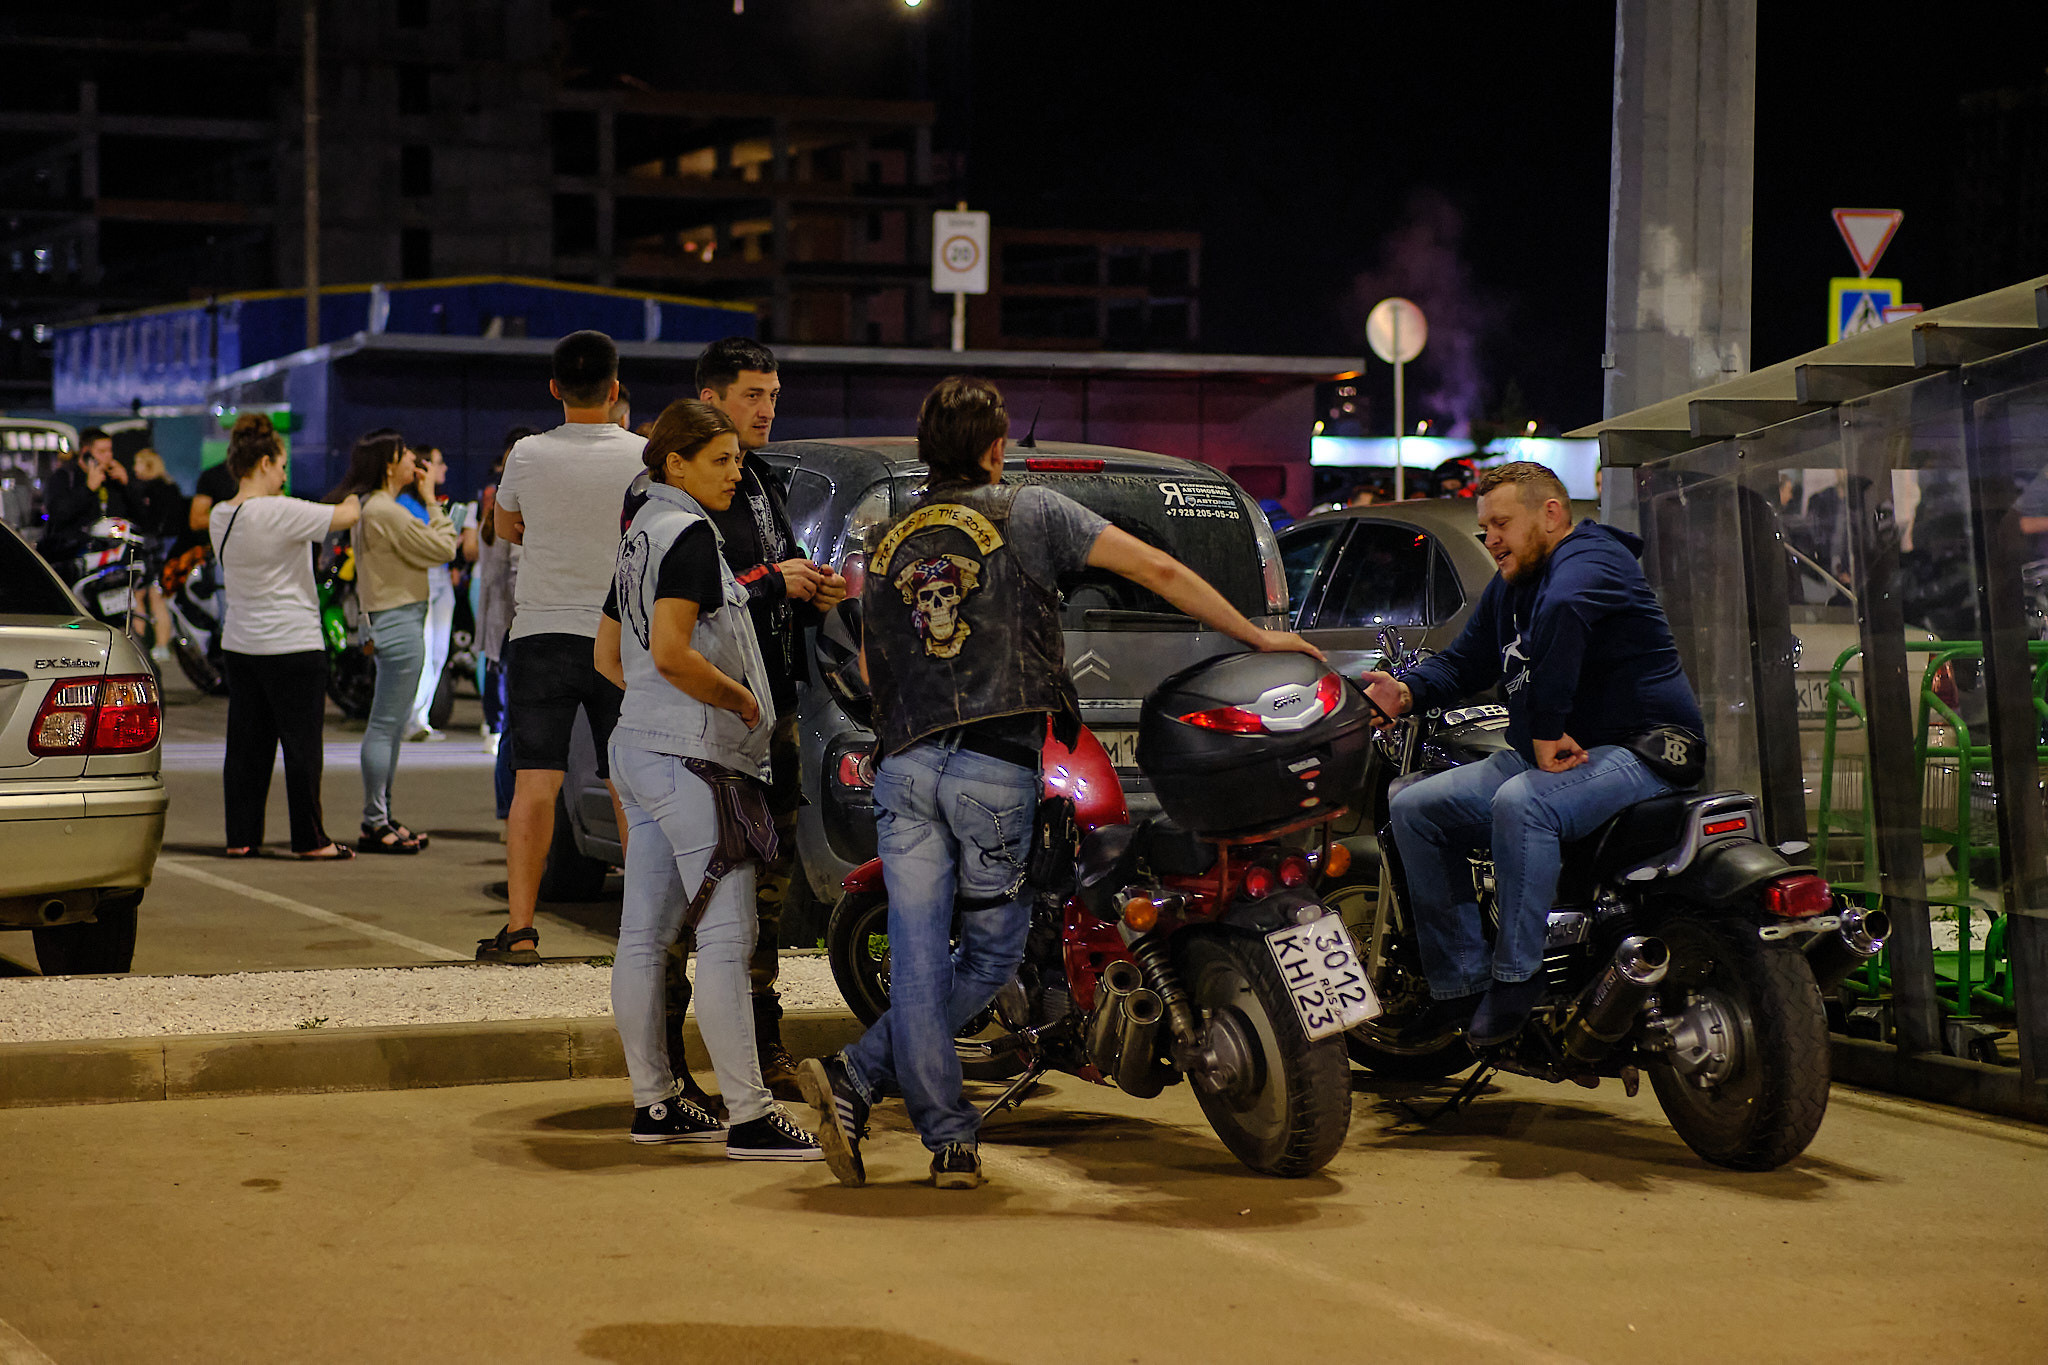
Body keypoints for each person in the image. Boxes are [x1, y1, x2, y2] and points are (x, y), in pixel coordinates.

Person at [799, 376, 1322, 1191]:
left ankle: (929, 1129)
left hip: (902, 767)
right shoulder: (1029, 512)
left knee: (919, 957)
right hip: (990, 764)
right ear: (995, 448)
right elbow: (1155, 568)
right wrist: (1260, 634)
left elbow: (870, 656)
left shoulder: (897, 532)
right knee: (990, 954)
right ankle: (871, 1083)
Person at [1361, 461, 1706, 1049]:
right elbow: (1468, 659)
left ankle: (1515, 984)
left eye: (1501, 523)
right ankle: (1460, 989)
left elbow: (1565, 610)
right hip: (1556, 755)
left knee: (1525, 805)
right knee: (1413, 807)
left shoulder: (1593, 557)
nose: (1491, 539)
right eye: (1484, 529)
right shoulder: (1513, 584)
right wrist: (1408, 690)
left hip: (1642, 749)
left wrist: (1545, 729)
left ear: (1550, 514)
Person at [593, 398, 824, 1160]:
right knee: (730, 932)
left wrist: (660, 715)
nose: (736, 472)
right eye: (720, 459)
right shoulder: (688, 531)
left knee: (645, 935)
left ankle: (654, 1103)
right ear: (675, 463)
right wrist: (744, 699)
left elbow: (608, 655)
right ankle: (751, 1115)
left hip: (642, 748)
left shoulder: (640, 535)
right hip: (692, 756)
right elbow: (669, 652)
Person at [689, 337, 848, 1097]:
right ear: (712, 397)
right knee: (689, 896)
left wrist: (810, 589)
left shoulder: (759, 479)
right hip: (703, 718)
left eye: (775, 395)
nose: (767, 410)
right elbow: (683, 604)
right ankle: (665, 1067)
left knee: (769, 889)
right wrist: (769, 582)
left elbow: (769, 572)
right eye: (754, 394)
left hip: (772, 710)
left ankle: (763, 1046)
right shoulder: (668, 489)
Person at [486, 330, 644, 964]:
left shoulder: (527, 454)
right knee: (627, 785)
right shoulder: (643, 454)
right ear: (614, 389)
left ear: (554, 389)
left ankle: (520, 930)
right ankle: (643, 929)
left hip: (542, 635)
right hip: (619, 638)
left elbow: (505, 527)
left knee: (536, 784)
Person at [210, 419, 360, 860]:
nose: (284, 475)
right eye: (281, 466)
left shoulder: (222, 515)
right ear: (263, 464)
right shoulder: (280, 509)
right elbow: (347, 516)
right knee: (300, 750)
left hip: (241, 645)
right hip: (293, 645)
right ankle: (309, 840)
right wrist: (356, 488)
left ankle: (240, 837)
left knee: (245, 749)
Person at [332, 429, 457, 854]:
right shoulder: (386, 510)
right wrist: (432, 499)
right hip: (399, 622)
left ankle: (381, 816)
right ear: (389, 464)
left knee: (388, 725)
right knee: (386, 726)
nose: (415, 463)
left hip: (392, 620)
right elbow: (444, 548)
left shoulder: (374, 507)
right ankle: (374, 821)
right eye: (406, 456)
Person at [403, 445, 479, 742]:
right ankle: (410, 718)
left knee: (438, 653)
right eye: (438, 462)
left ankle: (420, 717)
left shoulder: (439, 502)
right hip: (420, 578)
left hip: (442, 578)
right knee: (423, 651)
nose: (443, 467)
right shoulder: (407, 504)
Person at [38, 426, 137, 562]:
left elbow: (140, 517)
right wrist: (88, 489)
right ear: (86, 453)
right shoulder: (64, 477)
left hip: (110, 557)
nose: (108, 456)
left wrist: (127, 485)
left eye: (110, 450)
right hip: (72, 557)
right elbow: (58, 513)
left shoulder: (113, 481)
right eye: (102, 451)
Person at [127, 448, 187, 664]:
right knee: (158, 597)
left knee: (139, 596)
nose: (134, 469)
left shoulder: (147, 491)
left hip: (151, 549)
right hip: (167, 549)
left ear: (148, 465)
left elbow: (147, 521)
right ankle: (161, 646)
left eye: (138, 464)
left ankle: (140, 643)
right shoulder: (172, 488)